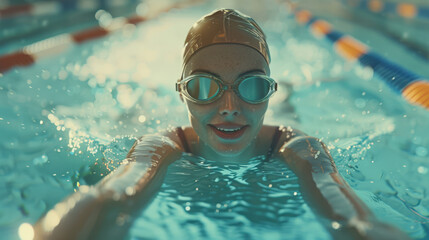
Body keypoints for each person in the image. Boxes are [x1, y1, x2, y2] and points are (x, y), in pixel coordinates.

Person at [33, 9, 410, 240]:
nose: (229, 107)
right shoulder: (161, 145)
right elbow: (113, 196)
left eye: (253, 86)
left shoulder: (298, 147)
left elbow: (352, 218)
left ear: (269, 92)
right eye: (204, 88)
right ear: (182, 93)